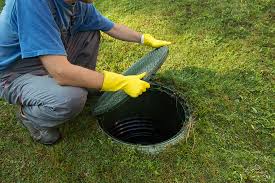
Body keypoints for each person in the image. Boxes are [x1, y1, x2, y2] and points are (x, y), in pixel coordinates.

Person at [0, 0, 171, 145]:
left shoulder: (77, 5)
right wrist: (119, 82)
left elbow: (112, 27)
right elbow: (60, 71)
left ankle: (87, 88)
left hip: (46, 59)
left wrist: (143, 38)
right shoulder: (31, 3)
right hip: (15, 73)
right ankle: (30, 117)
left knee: (90, 32)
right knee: (71, 98)